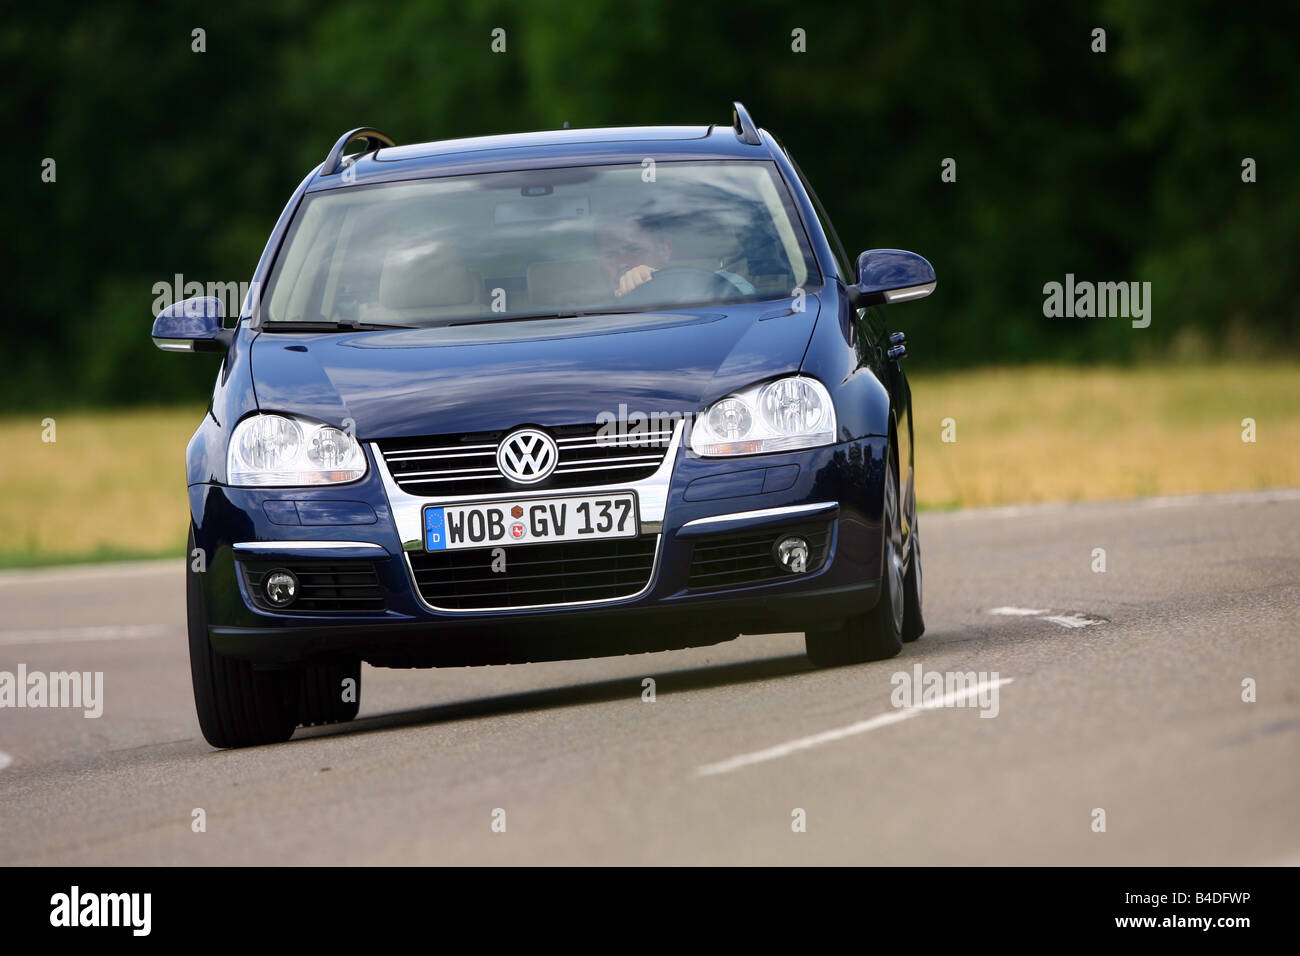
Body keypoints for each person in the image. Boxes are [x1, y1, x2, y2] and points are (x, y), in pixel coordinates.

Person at [597, 217, 673, 298]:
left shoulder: (684, 297)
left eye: (634, 250)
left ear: (663, 251)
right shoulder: (591, 308)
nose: (622, 264)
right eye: (611, 255)